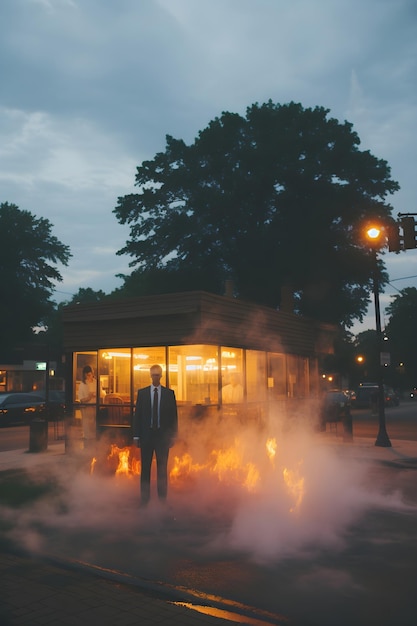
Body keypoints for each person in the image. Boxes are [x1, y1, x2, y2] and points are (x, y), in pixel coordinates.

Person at [133, 364, 178, 506]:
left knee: (162, 469)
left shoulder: (169, 394)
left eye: (158, 375)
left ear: (161, 376)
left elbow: (173, 417)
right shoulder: (143, 393)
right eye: (153, 375)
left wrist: (173, 435)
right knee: (145, 468)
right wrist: (136, 436)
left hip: (162, 436)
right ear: (150, 375)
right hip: (147, 435)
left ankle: (162, 500)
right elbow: (138, 416)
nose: (155, 377)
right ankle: (144, 499)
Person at [78, 365, 105, 447]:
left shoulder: (96, 382)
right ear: (84, 375)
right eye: (87, 375)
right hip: (86, 408)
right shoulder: (82, 385)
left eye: (90, 375)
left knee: (94, 426)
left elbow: (101, 394)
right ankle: (88, 445)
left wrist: (95, 395)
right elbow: (81, 399)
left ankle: (94, 444)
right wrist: (89, 397)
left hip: (95, 407)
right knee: (87, 427)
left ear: (93, 374)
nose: (89, 377)